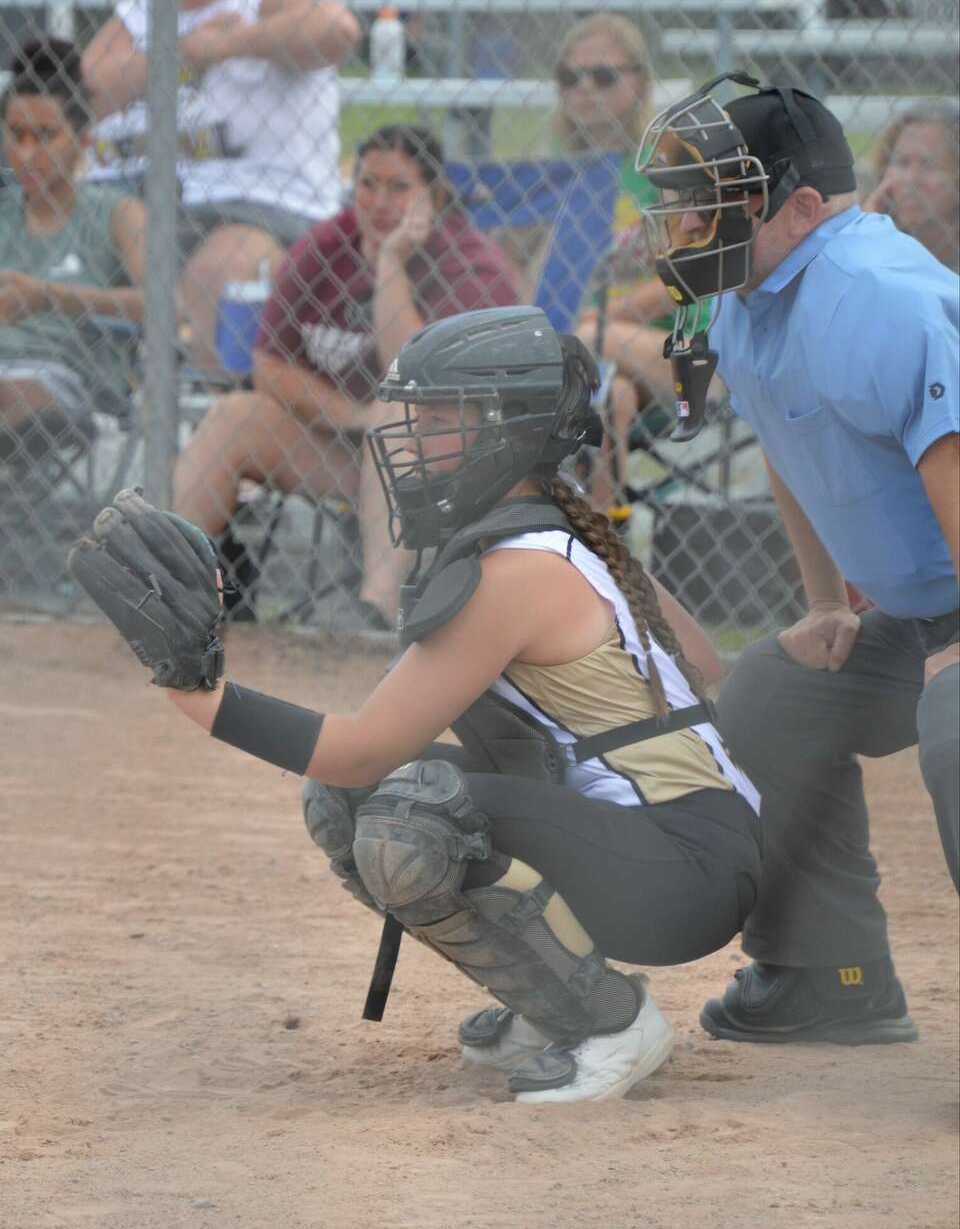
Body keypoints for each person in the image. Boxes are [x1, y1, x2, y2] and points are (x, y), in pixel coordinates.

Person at [69, 305, 762, 1104]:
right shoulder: (552, 535)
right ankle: (556, 997)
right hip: (688, 843)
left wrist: (198, 694)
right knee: (349, 801)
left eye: (439, 418)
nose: (409, 436)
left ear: (508, 430)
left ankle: (610, 1021)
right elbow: (699, 662)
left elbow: (361, 744)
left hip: (682, 871)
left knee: (408, 816)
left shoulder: (516, 572)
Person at [637, 73, 959, 1045]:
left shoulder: (880, 300)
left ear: (805, 207)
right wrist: (827, 599)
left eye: (714, 200)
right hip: (920, 606)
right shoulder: (748, 296)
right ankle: (836, 972)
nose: (686, 221)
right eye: (680, 199)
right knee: (773, 693)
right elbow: (787, 438)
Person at [173, 125, 520, 628]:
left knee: (398, 406)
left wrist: (392, 262)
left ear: (435, 197)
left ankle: (374, 615)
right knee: (234, 415)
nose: (378, 202)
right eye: (367, 184)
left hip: (450, 460)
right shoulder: (326, 246)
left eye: (398, 188)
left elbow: (418, 375)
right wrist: (357, 417)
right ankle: (166, 592)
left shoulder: (470, 264)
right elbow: (270, 365)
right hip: (350, 447)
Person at [81, 0, 359, 369]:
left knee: (218, 271)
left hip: (262, 205)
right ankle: (124, 397)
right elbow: (82, 94)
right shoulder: (138, 17)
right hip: (150, 203)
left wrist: (226, 44)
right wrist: (180, 53)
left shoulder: (264, 3)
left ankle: (203, 406)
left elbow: (336, 30)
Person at [543, 14, 714, 512]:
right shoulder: (556, 175)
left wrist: (596, 321)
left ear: (638, 80)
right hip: (592, 360)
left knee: (583, 340)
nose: (585, 90)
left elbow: (682, 277)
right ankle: (604, 538)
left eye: (603, 76)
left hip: (678, 350)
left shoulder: (669, 166)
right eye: (570, 78)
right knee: (608, 393)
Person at [0, 38, 145, 468]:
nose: (26, 154)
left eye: (45, 136)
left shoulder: (117, 213)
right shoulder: (4, 212)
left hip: (69, 381)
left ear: (83, 140)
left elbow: (165, 305)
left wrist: (48, 297)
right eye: (16, 135)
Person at [863, 103, 959, 272]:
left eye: (930, 165)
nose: (911, 180)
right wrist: (867, 233)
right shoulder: (870, 236)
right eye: (902, 162)